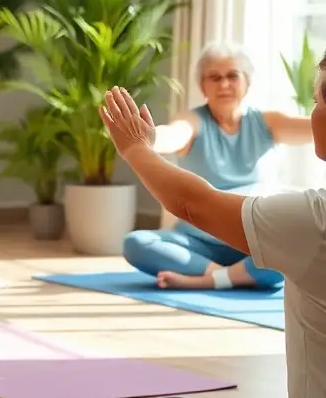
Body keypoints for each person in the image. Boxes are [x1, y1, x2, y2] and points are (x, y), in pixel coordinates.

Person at [99, 70, 326, 398]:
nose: (314, 111)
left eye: (320, 96)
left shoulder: (314, 219)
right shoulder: (201, 125)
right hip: (238, 238)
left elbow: (191, 202)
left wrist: (135, 147)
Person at [122, 41, 312, 290]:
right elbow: (174, 133)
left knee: (295, 245)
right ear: (203, 85)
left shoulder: (266, 122)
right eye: (215, 77)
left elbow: (314, 128)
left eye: (233, 76)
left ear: (247, 82)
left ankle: (207, 280)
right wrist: (149, 139)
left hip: (251, 240)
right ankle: (231, 277)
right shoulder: (194, 120)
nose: (224, 84)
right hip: (196, 242)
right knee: (136, 243)